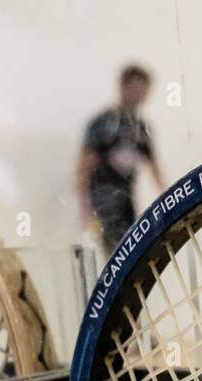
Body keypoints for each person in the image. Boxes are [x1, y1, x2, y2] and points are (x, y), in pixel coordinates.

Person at [77, 65, 165, 257]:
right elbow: (83, 166)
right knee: (112, 257)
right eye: (134, 87)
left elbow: (156, 171)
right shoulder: (103, 123)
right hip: (102, 204)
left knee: (131, 256)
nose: (139, 94)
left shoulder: (141, 128)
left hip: (127, 204)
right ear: (122, 87)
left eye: (143, 89)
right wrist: (84, 207)